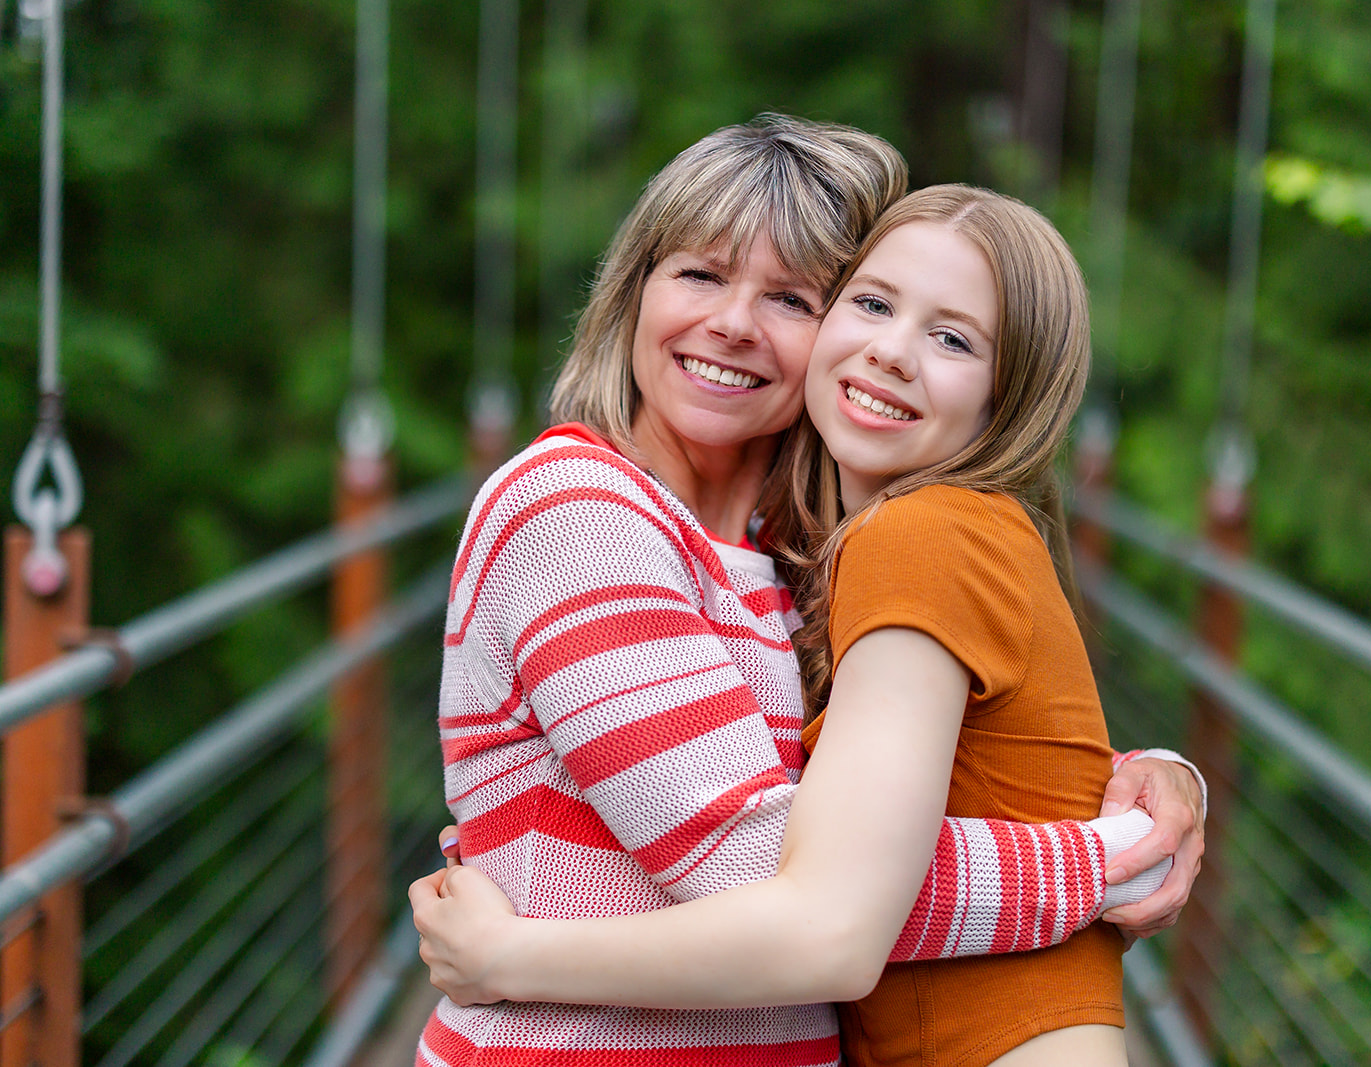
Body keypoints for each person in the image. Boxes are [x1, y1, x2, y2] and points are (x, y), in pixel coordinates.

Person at [413, 118, 1205, 1067]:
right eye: (700, 275)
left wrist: (1152, 779)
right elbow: (789, 883)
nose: (734, 324)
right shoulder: (576, 513)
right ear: (634, 292)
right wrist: (1102, 857)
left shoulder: (799, 556)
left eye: (790, 297)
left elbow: (915, 771)